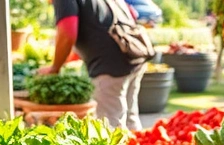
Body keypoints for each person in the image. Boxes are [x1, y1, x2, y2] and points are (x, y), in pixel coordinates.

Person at [41, 0, 152, 130]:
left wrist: (55, 68)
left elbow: (67, 33)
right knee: (129, 119)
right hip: (132, 56)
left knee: (110, 126)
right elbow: (131, 14)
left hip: (110, 65)